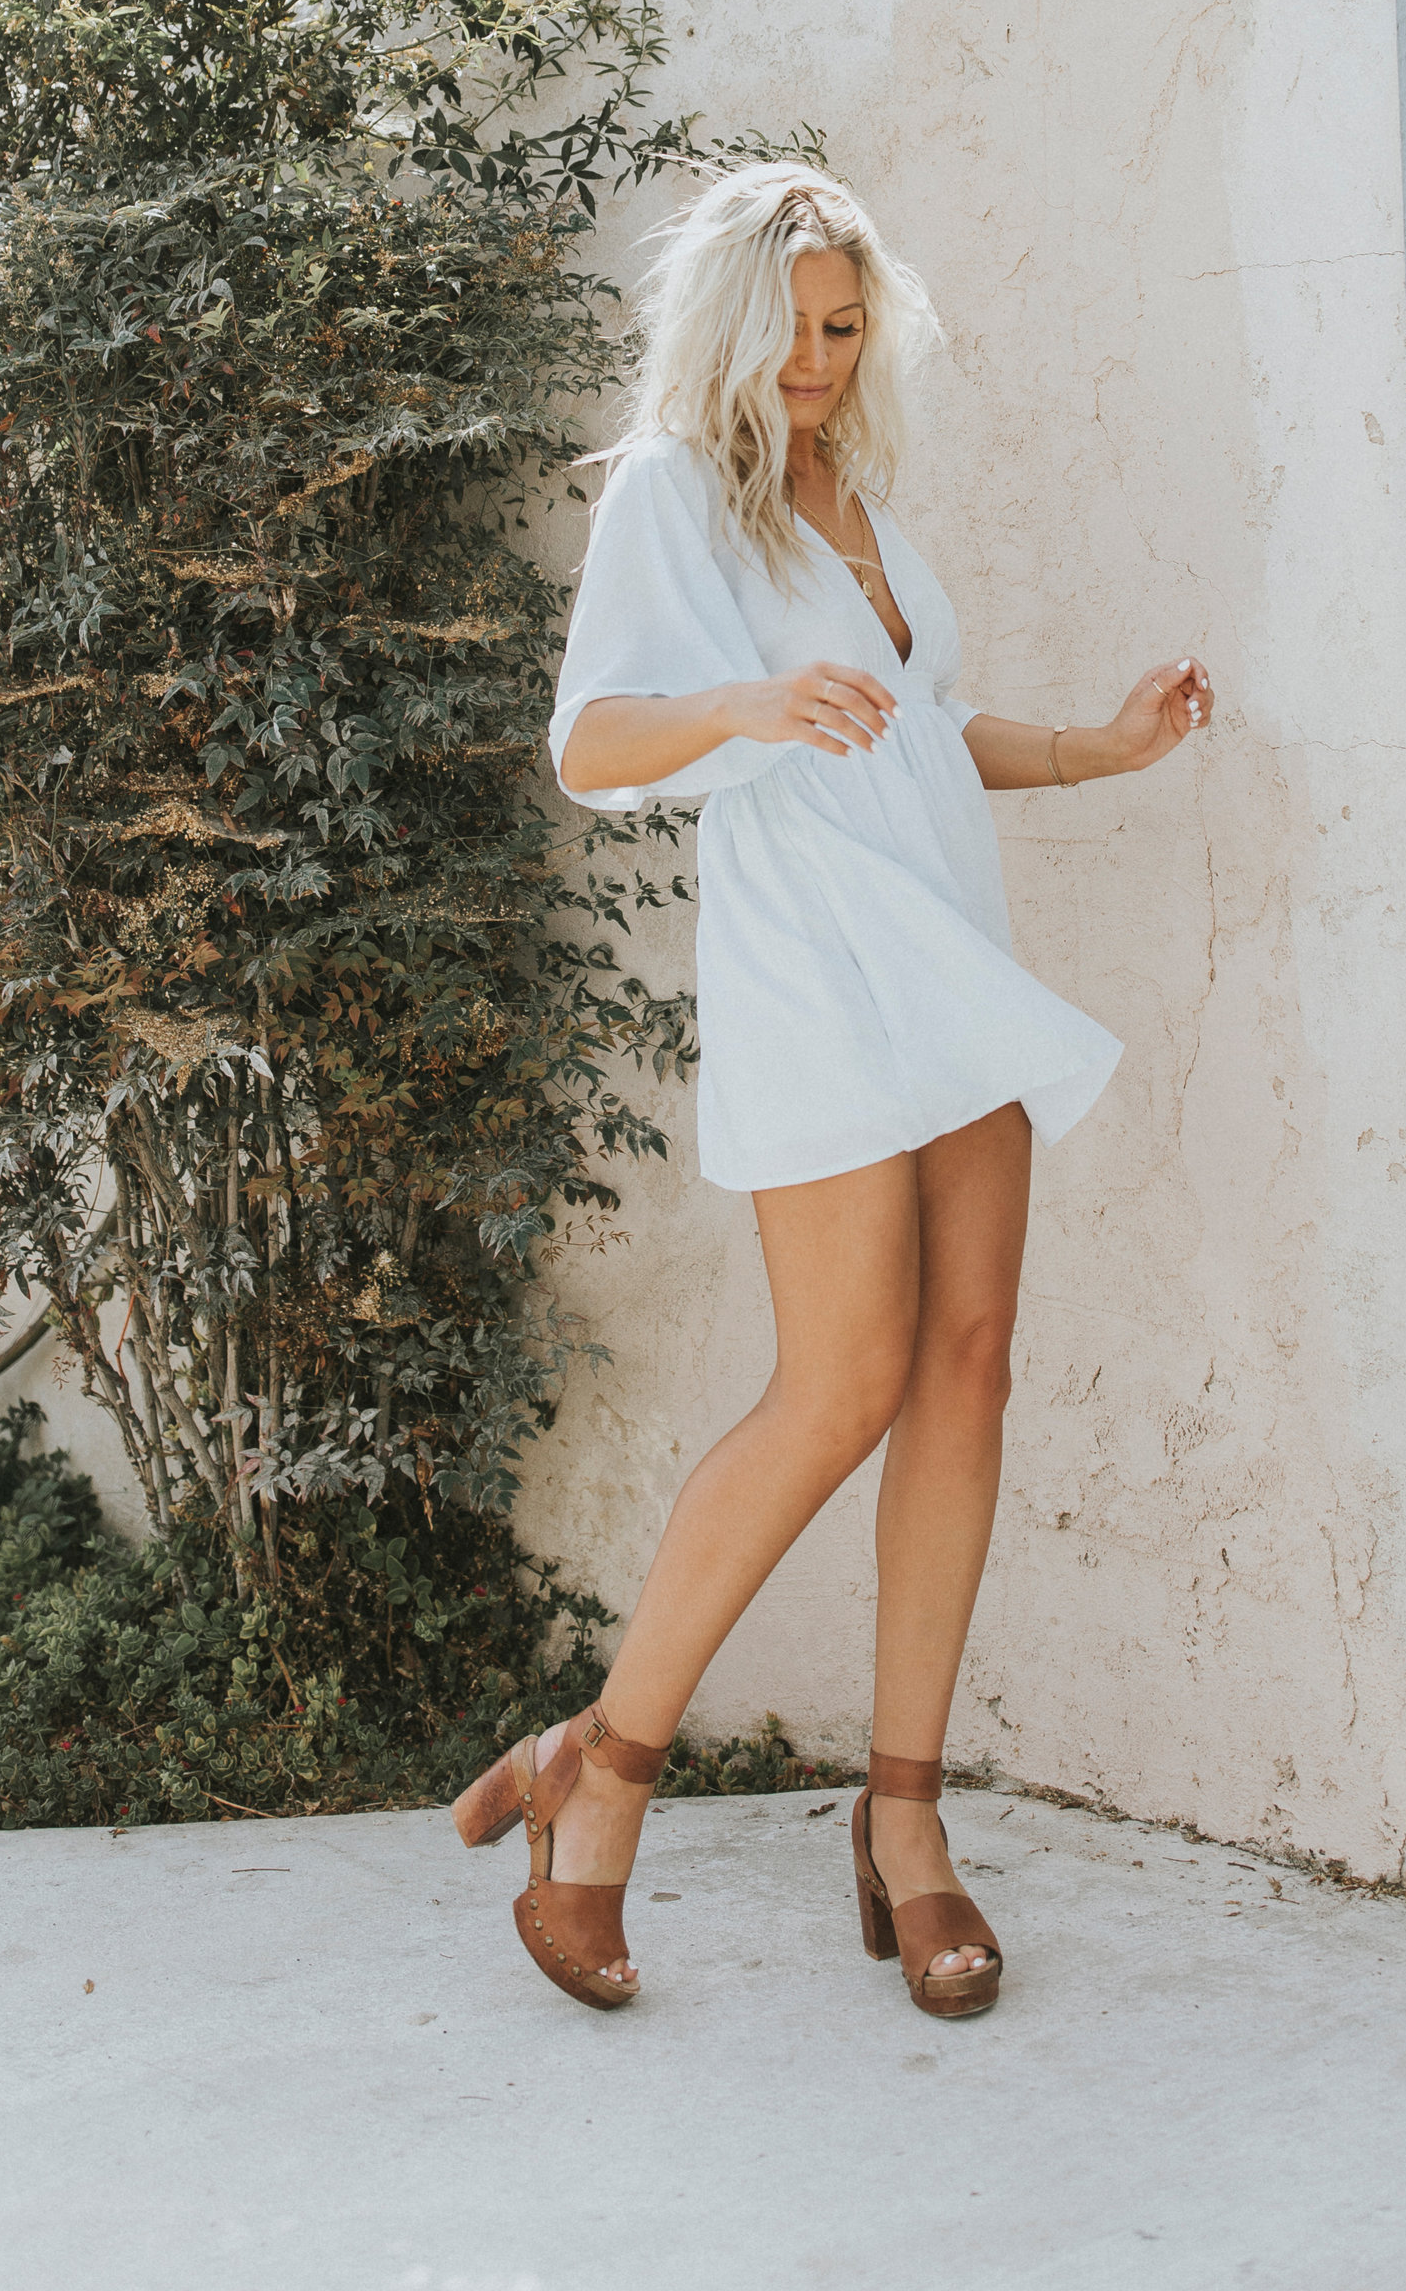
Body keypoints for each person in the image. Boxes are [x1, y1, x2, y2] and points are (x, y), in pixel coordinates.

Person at [450, 165, 1209, 2018]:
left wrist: (1097, 748)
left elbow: (924, 736)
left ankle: (906, 1829)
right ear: (724, 324)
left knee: (969, 1361)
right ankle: (600, 1779)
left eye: (845, 326)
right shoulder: (668, 497)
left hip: (947, 951)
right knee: (840, 1380)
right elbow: (592, 743)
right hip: (812, 970)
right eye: (788, 324)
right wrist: (743, 707)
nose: (815, 357)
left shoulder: (859, 505)